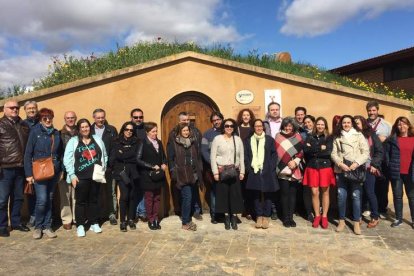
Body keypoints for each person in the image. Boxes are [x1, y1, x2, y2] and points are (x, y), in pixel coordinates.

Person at [64, 119, 108, 237]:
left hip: (95, 176)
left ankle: (94, 223)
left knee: (94, 200)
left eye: (87, 126)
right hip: (80, 177)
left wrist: (103, 168)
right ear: (79, 129)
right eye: (82, 127)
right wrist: (72, 175)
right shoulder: (73, 141)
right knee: (80, 202)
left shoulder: (97, 139)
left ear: (90, 127)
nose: (85, 129)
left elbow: (104, 155)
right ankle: (80, 225)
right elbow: (67, 160)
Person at [24, 108, 62, 239]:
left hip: (53, 171)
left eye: (49, 117)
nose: (48, 120)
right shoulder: (35, 132)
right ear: (40, 120)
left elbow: (59, 153)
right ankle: (38, 227)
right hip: (39, 171)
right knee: (42, 200)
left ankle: (47, 226)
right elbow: (28, 154)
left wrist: (60, 169)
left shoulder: (56, 133)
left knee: (50, 199)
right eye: (45, 118)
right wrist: (28, 174)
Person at [331, 115, 369, 235]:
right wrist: (340, 163)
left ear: (352, 123)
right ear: (341, 124)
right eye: (344, 123)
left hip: (355, 170)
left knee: (356, 196)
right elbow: (333, 153)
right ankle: (341, 221)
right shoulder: (337, 136)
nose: (346, 124)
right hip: (342, 170)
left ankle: (356, 222)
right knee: (341, 196)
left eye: (348, 122)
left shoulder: (359, 135)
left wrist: (356, 163)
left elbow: (366, 152)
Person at [0, 100, 30, 237]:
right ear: (4, 109)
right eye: (11, 107)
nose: (15, 109)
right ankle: (2, 226)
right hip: (5, 168)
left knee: (18, 197)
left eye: (17, 107)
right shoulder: (1, 124)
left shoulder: (23, 124)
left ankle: (16, 222)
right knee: (2, 199)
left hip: (20, 168)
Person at [167, 123, 203, 231]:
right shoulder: (175, 143)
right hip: (182, 174)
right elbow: (171, 158)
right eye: (184, 131)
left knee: (189, 197)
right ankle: (185, 222)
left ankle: (187, 218)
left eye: (187, 130)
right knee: (187, 197)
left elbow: (197, 156)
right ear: (179, 132)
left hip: (193, 174)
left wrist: (199, 169)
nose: (186, 132)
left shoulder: (193, 142)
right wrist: (173, 171)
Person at [211, 118, 245, 230]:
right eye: (227, 126)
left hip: (235, 171)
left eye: (231, 126)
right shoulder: (217, 139)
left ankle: (234, 218)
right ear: (223, 127)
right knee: (224, 195)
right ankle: (226, 218)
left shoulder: (237, 139)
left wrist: (242, 171)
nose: (229, 128)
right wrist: (215, 172)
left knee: (235, 195)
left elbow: (241, 157)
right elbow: (213, 157)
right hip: (222, 171)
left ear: (234, 127)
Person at [244, 119, 279, 229]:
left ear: (263, 127)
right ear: (253, 128)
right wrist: (250, 168)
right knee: (256, 194)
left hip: (267, 170)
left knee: (268, 194)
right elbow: (246, 156)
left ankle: (266, 216)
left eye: (260, 126)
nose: (258, 128)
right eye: (256, 126)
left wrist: (271, 167)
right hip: (254, 170)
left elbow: (274, 155)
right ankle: (259, 216)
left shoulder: (269, 140)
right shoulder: (248, 140)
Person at [303, 117, 335, 229]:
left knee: (325, 192)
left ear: (325, 126)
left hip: (325, 167)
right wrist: (319, 149)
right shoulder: (309, 137)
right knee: (314, 192)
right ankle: (317, 215)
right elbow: (305, 151)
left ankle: (324, 216)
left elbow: (328, 152)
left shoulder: (329, 138)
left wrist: (313, 149)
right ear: (315, 125)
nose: (320, 126)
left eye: (322, 124)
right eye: (318, 124)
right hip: (312, 167)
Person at [136, 122, 167, 230]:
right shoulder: (143, 143)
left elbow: (163, 156)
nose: (155, 133)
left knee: (157, 198)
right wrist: (151, 166)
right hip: (147, 176)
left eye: (156, 131)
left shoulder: (158, 142)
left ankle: (156, 218)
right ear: (147, 132)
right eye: (153, 131)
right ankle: (151, 219)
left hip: (158, 175)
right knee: (149, 198)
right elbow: (138, 159)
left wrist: (164, 164)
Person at [110, 122, 140, 232]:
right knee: (124, 195)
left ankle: (131, 219)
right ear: (123, 129)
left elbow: (137, 157)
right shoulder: (116, 141)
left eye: (131, 130)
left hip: (133, 172)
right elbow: (115, 156)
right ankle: (123, 221)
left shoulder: (137, 142)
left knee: (132, 196)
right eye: (127, 129)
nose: (129, 131)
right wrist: (126, 155)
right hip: (121, 172)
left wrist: (123, 155)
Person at [354, 115, 383, 228]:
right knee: (358, 193)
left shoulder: (371, 135)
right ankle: (358, 216)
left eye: (358, 123)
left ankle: (375, 217)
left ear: (363, 123)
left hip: (369, 168)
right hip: (356, 168)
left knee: (370, 192)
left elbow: (380, 151)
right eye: (355, 123)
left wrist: (375, 165)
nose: (356, 125)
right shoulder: (352, 135)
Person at [385, 117, 414, 228]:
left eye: (404, 124)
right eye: (399, 124)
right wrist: (389, 165)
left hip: (410, 173)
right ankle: (398, 218)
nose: (402, 126)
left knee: (412, 197)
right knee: (397, 196)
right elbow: (386, 154)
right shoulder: (392, 139)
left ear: (408, 125)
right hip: (396, 173)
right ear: (396, 126)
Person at [275, 117, 304, 228]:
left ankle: (291, 217)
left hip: (294, 169)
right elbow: (278, 153)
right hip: (283, 169)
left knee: (293, 195)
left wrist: (296, 161)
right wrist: (286, 162)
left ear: (293, 127)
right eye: (286, 126)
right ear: (283, 126)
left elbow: (301, 152)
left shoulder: (298, 136)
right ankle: (285, 218)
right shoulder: (278, 136)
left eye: (290, 126)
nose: (288, 128)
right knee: (284, 194)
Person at [91, 108, 118, 225]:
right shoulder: (88, 129)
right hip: (93, 168)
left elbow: (115, 149)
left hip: (109, 167)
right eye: (98, 117)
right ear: (94, 118)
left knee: (110, 191)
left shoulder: (111, 130)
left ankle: (111, 214)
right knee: (95, 192)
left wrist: (109, 164)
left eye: (102, 117)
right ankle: (97, 215)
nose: (101, 119)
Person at [366, 100, 391, 219]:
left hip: (382, 159)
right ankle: (368, 207)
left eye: (373, 110)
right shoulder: (364, 124)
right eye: (369, 110)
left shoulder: (386, 125)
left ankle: (382, 208)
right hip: (368, 159)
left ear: (377, 110)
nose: (371, 112)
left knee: (382, 184)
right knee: (369, 185)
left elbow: (391, 141)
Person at [201, 111, 224, 224]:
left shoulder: (228, 131)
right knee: (214, 191)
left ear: (222, 120)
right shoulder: (207, 134)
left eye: (218, 119)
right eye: (214, 120)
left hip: (227, 168)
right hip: (212, 168)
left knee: (224, 191)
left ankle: (222, 213)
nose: (216, 122)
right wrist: (213, 164)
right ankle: (214, 214)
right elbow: (204, 151)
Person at [263, 102, 283, 220]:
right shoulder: (265, 124)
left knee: (282, 185)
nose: (274, 111)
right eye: (272, 110)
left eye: (276, 109)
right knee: (271, 185)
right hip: (269, 157)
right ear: (269, 111)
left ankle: (281, 209)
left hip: (283, 156)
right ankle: (272, 209)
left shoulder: (285, 122)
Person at [59, 111, 78, 230]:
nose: (70, 119)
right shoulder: (59, 134)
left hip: (78, 169)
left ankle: (77, 217)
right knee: (65, 196)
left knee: (77, 195)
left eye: (72, 118)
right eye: (68, 118)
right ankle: (66, 219)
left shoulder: (80, 131)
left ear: (75, 119)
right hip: (63, 169)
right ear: (64, 119)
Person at [236, 108, 255, 220]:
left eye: (248, 115)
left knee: (250, 187)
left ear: (251, 116)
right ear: (241, 117)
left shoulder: (253, 129)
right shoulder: (237, 129)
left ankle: (249, 210)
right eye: (244, 115)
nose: (246, 117)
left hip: (251, 161)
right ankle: (241, 209)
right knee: (241, 187)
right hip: (240, 161)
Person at [23, 100, 39, 227]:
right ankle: (33, 216)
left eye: (34, 108)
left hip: (42, 163)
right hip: (28, 161)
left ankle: (44, 216)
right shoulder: (22, 124)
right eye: (29, 109)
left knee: (44, 191)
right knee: (31, 191)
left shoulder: (42, 122)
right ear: (25, 110)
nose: (32, 110)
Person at [130, 108, 147, 222]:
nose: (138, 119)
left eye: (140, 117)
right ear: (131, 118)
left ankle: (142, 211)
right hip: (131, 165)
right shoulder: (128, 129)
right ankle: (134, 212)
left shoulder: (146, 129)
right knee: (132, 189)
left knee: (143, 189)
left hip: (144, 165)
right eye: (135, 117)